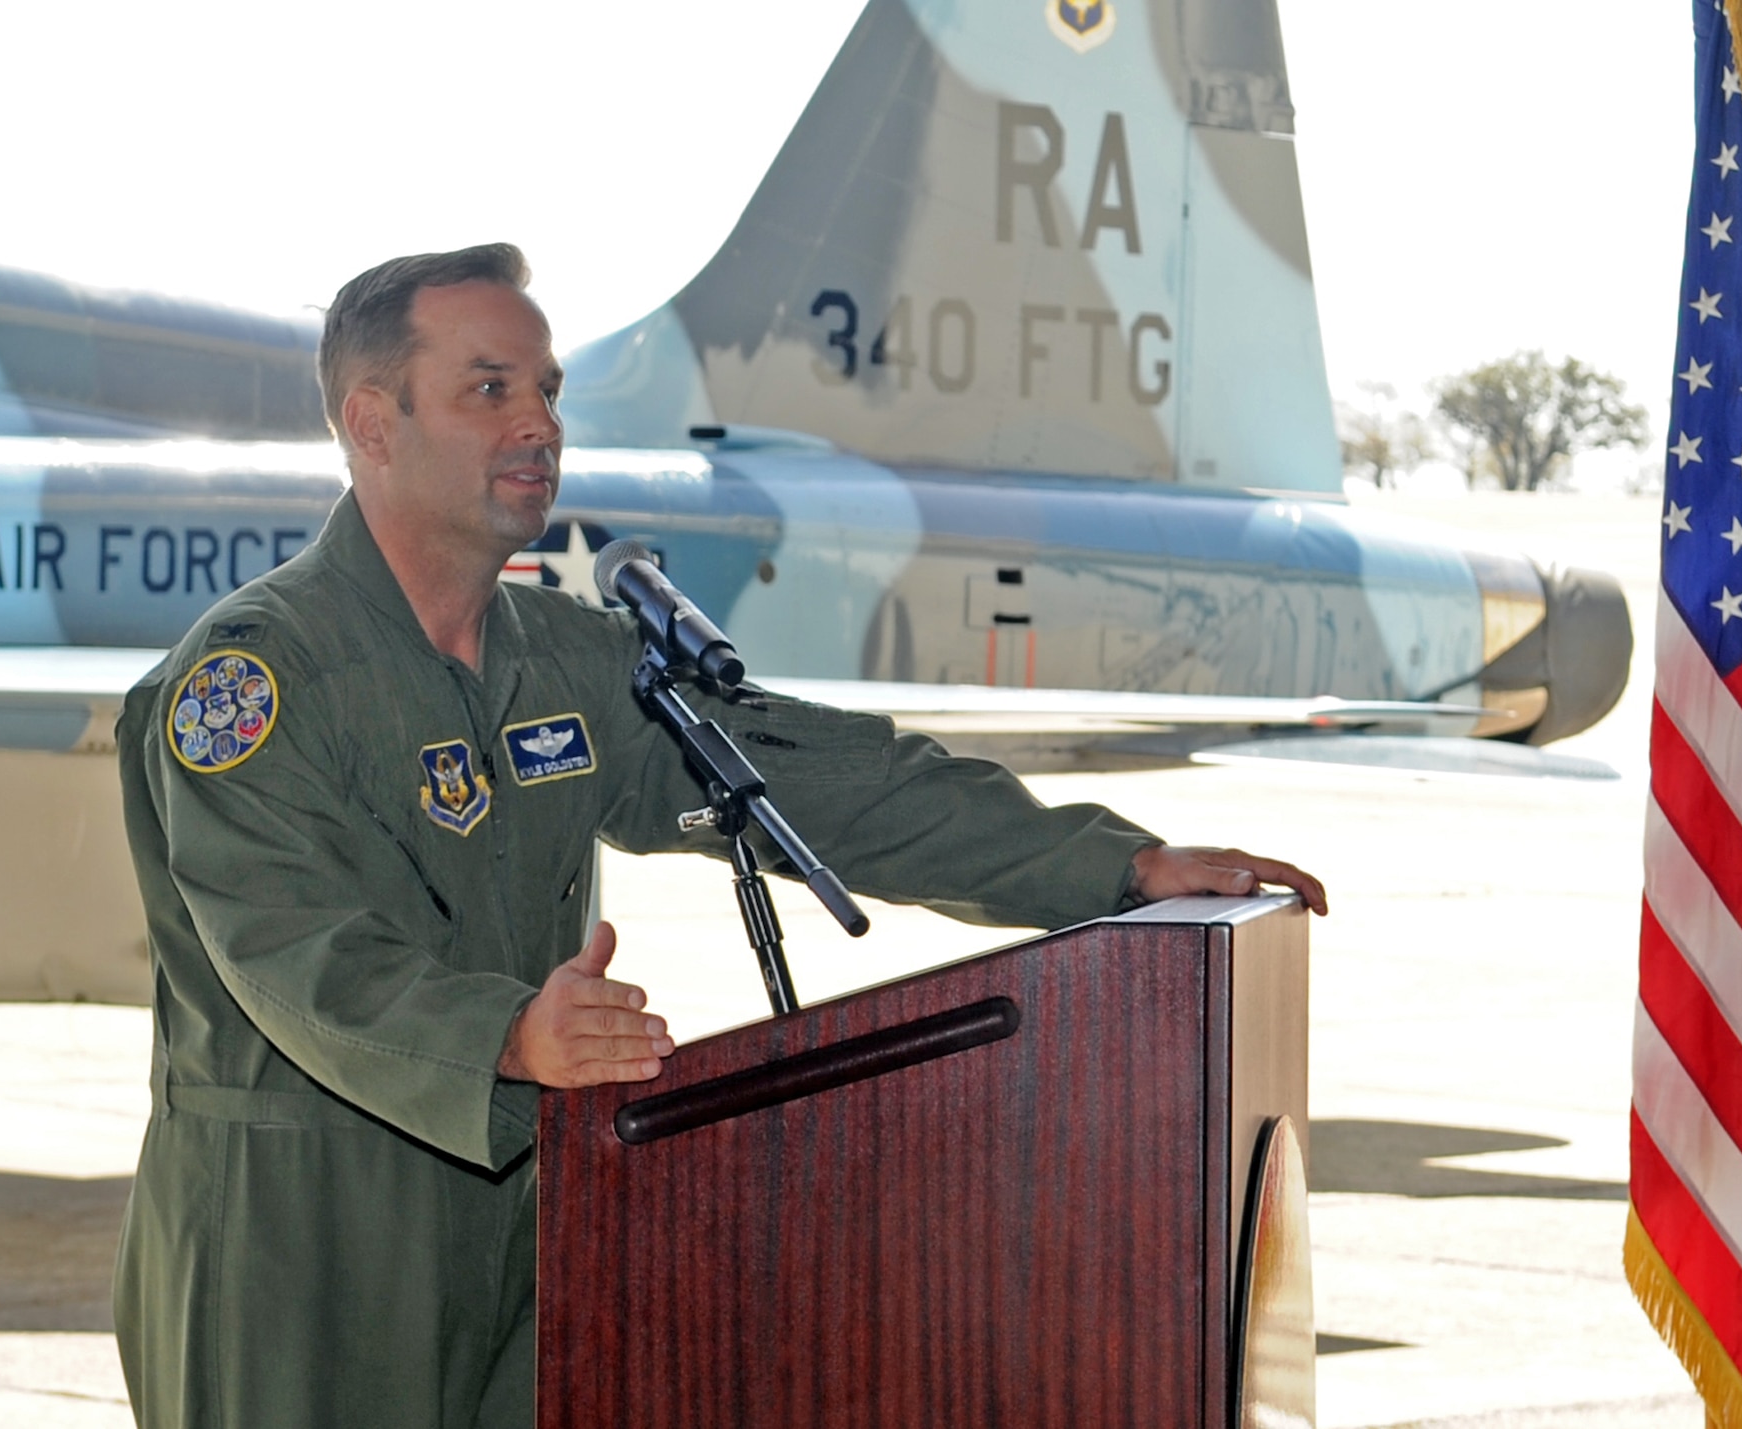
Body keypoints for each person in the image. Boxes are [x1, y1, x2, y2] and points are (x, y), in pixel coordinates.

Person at [112, 242, 1327, 1428]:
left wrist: (1108, 865)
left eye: (546, 390)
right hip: (299, 1246)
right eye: (490, 389)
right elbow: (295, 950)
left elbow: (824, 782)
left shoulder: (562, 660)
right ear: (372, 423)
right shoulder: (253, 683)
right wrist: (506, 1033)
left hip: (530, 1220)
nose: (538, 423)